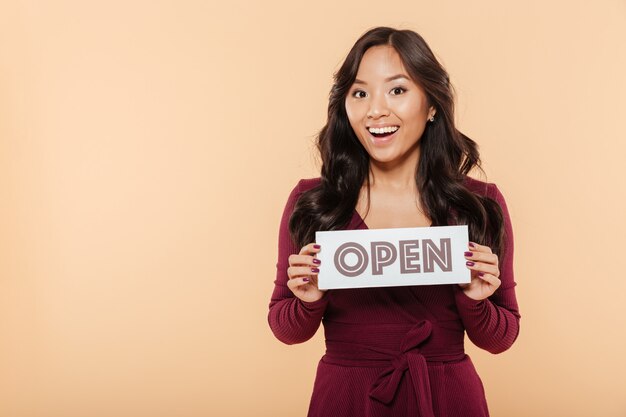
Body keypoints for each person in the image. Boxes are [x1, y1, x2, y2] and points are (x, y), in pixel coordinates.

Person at [267, 26, 520, 417]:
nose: (375, 109)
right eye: (360, 92)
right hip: (345, 398)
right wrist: (308, 300)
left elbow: (500, 338)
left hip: (448, 399)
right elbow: (286, 328)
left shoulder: (479, 203)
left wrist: (476, 300)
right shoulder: (313, 201)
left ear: (432, 104)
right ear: (345, 104)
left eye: (397, 90)